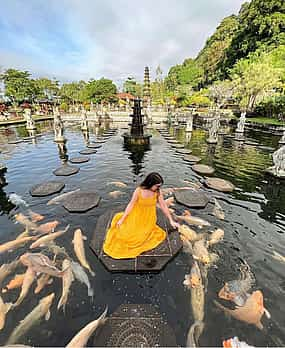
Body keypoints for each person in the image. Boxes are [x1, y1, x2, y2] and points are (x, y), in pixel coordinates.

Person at [103, 172, 179, 259]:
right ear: (150, 183)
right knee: (125, 236)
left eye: (159, 186)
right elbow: (131, 204)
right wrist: (123, 219)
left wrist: (171, 220)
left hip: (148, 219)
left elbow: (163, 206)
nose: (159, 188)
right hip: (136, 216)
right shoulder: (138, 191)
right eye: (157, 186)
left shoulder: (157, 192)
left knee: (138, 239)